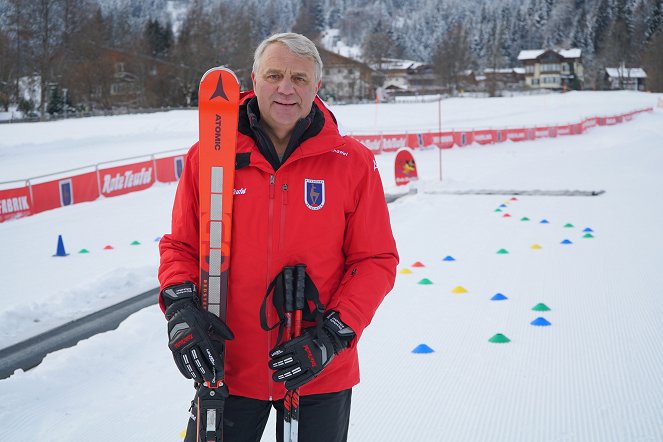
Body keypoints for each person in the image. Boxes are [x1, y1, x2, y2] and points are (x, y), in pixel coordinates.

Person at [158, 32, 398, 442]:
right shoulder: (210, 156)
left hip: (319, 367)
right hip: (229, 368)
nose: (286, 88)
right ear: (255, 79)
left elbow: (375, 260)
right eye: (275, 75)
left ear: (317, 86)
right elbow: (180, 247)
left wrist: (333, 335)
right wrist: (180, 311)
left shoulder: (352, 162)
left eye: (300, 78)